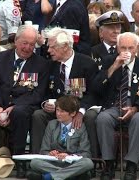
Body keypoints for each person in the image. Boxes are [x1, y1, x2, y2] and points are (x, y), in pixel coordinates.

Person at [0, 25, 49, 178]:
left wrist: (14, 107)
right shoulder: (1, 58)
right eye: (24, 43)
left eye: (32, 44)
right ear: (16, 40)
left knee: (20, 114)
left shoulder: (41, 63)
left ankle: (19, 159)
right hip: (0, 104)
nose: (27, 48)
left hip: (24, 106)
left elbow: (39, 93)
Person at [94, 32, 139, 180]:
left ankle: (131, 165)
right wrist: (114, 66)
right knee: (103, 119)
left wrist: (135, 108)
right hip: (114, 105)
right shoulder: (109, 61)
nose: (126, 52)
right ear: (117, 48)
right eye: (123, 48)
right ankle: (108, 163)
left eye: (130, 48)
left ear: (136, 48)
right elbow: (96, 87)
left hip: (136, 106)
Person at [31, 27, 99, 158]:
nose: (49, 50)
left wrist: (80, 111)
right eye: (48, 47)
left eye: (53, 47)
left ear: (66, 46)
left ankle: (92, 159)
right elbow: (43, 91)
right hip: (58, 110)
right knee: (38, 115)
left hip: (79, 108)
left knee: (90, 117)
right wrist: (45, 103)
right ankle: (39, 157)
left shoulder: (87, 64)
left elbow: (94, 93)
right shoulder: (50, 65)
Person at [28, 95, 94, 180]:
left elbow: (86, 153)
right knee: (34, 162)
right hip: (54, 162)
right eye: (57, 110)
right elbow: (43, 150)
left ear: (73, 113)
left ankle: (49, 177)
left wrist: (69, 156)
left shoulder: (80, 127)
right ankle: (70, 176)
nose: (58, 114)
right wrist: (50, 153)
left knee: (88, 163)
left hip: (72, 163)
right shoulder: (51, 124)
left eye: (62, 111)